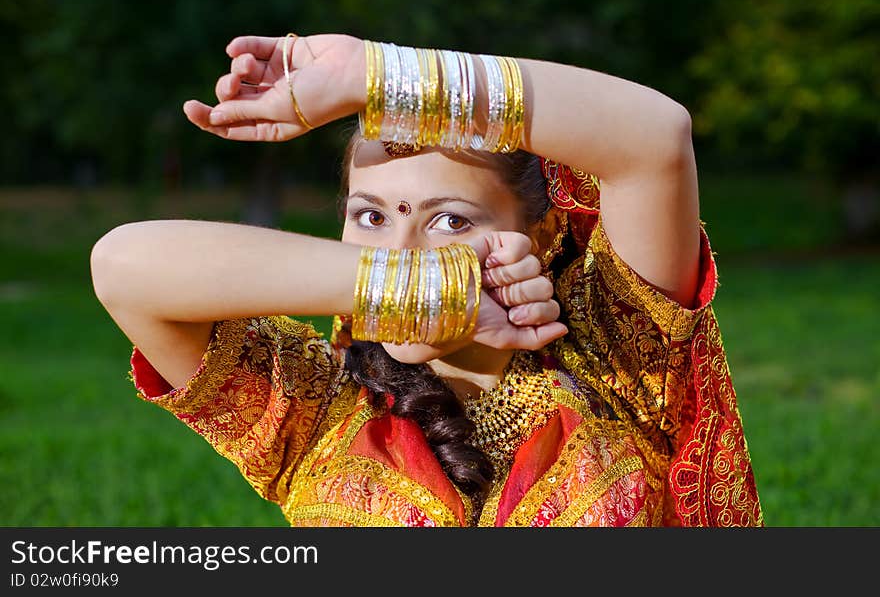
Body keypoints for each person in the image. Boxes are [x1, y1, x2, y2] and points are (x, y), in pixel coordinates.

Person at [90, 31, 763, 527]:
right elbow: (123, 265)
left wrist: (375, 74)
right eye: (370, 216)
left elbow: (656, 137)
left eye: (449, 222)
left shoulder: (621, 360)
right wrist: (432, 293)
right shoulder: (315, 402)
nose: (403, 247)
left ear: (544, 234)